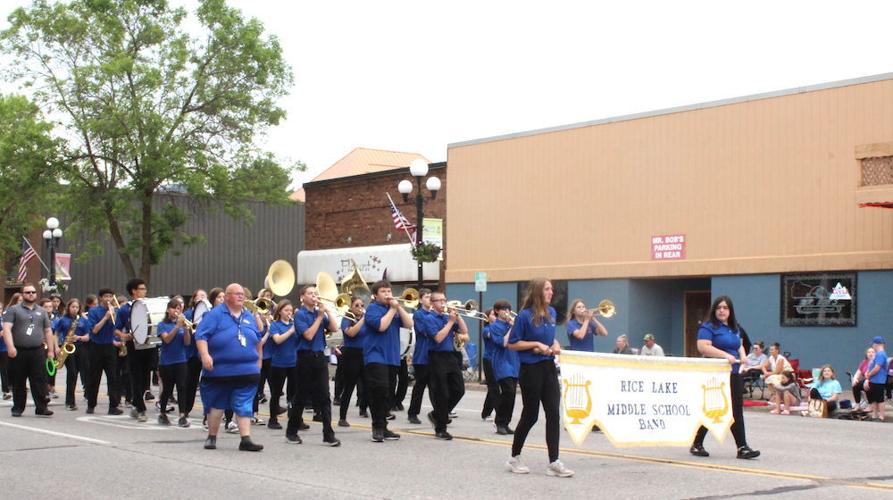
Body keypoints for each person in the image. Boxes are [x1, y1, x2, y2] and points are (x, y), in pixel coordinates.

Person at [505, 278, 574, 477]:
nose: (551, 292)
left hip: (548, 368)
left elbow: (549, 337)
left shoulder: (551, 313)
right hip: (530, 370)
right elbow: (512, 343)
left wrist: (555, 344)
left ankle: (554, 462)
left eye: (551, 289)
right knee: (531, 415)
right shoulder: (525, 316)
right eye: (547, 289)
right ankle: (514, 457)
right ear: (537, 291)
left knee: (554, 413)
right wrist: (535, 344)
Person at [194, 283, 264, 451]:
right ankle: (212, 436)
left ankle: (245, 439)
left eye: (242, 294)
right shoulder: (215, 315)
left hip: (247, 370)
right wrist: (205, 355)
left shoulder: (248, 316)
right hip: (220, 370)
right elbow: (201, 335)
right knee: (217, 405)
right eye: (236, 294)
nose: (241, 297)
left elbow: (257, 339)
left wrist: (259, 361)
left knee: (244, 404)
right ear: (226, 297)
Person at [689, 296, 760, 460]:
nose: (722, 310)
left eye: (726, 308)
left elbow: (740, 344)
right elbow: (703, 347)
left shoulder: (734, 327)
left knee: (736, 410)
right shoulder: (708, 327)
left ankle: (742, 447)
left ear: (730, 311)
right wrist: (725, 355)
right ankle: (697, 443)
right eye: (719, 307)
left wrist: (743, 356)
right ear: (714, 310)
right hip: (714, 375)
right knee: (712, 408)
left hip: (733, 373)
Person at [286, 284, 341, 447]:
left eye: (315, 293)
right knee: (301, 397)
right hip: (304, 358)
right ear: (302, 297)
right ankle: (291, 431)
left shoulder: (320, 313)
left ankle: (328, 434)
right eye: (310, 293)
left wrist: (328, 311)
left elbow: (334, 327)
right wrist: (319, 317)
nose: (314, 296)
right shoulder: (300, 315)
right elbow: (308, 335)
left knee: (325, 397)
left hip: (319, 358)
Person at [362, 280, 413, 442]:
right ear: (375, 295)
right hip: (375, 356)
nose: (388, 294)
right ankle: (377, 428)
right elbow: (381, 326)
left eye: (389, 291)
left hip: (392, 357)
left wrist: (399, 308)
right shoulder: (372, 309)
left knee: (388, 394)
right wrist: (392, 309)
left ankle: (383, 427)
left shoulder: (394, 309)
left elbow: (409, 324)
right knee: (379, 391)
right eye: (383, 292)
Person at [1, 284, 55, 417]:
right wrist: (10, 346)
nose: (31, 294)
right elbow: (7, 329)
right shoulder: (13, 310)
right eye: (27, 292)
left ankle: (41, 407)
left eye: (33, 292)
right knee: (18, 380)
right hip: (19, 350)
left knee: (39, 379)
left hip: (37, 350)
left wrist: (51, 351)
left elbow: (48, 331)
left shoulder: (42, 311)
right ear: (22, 294)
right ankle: (18, 407)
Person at [426, 291, 469, 440]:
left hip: (450, 356)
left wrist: (458, 316)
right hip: (436, 356)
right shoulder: (429, 318)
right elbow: (438, 338)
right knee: (442, 393)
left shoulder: (447, 317)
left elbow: (464, 331)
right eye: (439, 301)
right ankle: (441, 428)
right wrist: (450, 322)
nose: (443, 303)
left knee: (459, 389)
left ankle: (437, 415)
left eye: (445, 300)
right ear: (432, 303)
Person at [116, 278, 154, 422]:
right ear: (134, 291)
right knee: (136, 377)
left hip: (149, 346)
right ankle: (141, 409)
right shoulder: (125, 309)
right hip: (134, 346)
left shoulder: (148, 306)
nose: (145, 291)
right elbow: (117, 329)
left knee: (145, 379)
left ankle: (136, 404)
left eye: (145, 289)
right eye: (142, 289)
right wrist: (124, 335)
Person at [85, 288, 124, 415]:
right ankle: (91, 404)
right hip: (96, 346)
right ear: (101, 298)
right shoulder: (93, 311)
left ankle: (113, 406)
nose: (108, 299)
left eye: (110, 296)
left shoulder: (116, 311)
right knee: (94, 377)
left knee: (113, 377)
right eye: (106, 296)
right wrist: (106, 317)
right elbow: (94, 330)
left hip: (110, 346)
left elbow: (118, 328)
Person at [155, 299, 191, 427]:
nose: (176, 311)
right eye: (174, 308)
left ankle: (182, 415)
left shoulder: (181, 326)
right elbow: (167, 339)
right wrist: (177, 327)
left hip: (181, 360)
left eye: (179, 309)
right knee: (167, 389)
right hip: (166, 362)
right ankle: (163, 412)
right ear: (168, 310)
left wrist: (186, 329)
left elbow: (187, 343)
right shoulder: (162, 325)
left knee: (182, 387)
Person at [54, 298, 90, 411]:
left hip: (81, 347)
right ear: (68, 307)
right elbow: (56, 333)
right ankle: (70, 402)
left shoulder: (83, 320)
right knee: (72, 374)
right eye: (73, 307)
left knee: (85, 372)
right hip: (68, 348)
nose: (75, 309)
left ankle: (87, 395)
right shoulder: (63, 320)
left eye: (77, 307)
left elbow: (89, 335)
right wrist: (56, 347)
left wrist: (79, 337)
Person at [267, 300, 298, 431]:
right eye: (286, 310)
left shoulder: (294, 325)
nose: (289, 313)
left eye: (291, 311)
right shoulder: (275, 325)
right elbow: (277, 340)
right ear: (280, 311)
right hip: (278, 364)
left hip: (294, 363)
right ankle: (272, 419)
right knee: (276, 393)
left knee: (294, 393)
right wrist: (291, 331)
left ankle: (295, 419)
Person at [490, 300, 519, 435]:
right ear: (497, 311)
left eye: (508, 310)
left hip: (514, 362)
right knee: (508, 391)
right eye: (504, 310)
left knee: (512, 395)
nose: (507, 312)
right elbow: (503, 343)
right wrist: (512, 328)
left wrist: (515, 326)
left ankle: (506, 423)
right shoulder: (495, 326)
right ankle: (499, 422)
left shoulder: (512, 325)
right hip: (501, 362)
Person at [338, 296, 368, 427]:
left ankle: (363, 408)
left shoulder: (365, 320)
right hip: (350, 354)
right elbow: (351, 333)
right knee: (349, 386)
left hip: (365, 353)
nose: (360, 308)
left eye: (362, 305)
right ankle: (342, 417)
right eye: (357, 305)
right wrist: (363, 320)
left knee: (368, 384)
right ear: (350, 307)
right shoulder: (346, 319)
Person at [407, 289, 432, 424]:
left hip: (435, 356)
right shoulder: (419, 314)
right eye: (427, 297)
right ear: (421, 300)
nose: (430, 299)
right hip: (422, 356)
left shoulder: (435, 314)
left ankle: (439, 414)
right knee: (420, 386)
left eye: (431, 297)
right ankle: (412, 413)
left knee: (436, 387)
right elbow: (425, 331)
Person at [480, 308, 498, 421]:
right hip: (489, 360)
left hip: (499, 359)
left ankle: (486, 412)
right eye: (493, 314)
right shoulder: (486, 329)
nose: (495, 316)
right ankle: (489, 413)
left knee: (494, 387)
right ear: (487, 317)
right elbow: (494, 337)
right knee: (494, 387)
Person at [864, 336, 887, 421]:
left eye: (873, 344)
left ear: (876, 344)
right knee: (873, 398)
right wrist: (868, 375)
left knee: (880, 399)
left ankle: (881, 417)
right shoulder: (878, 354)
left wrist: (869, 375)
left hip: (879, 380)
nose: (873, 346)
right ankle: (874, 415)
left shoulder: (881, 354)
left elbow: (877, 368)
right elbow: (872, 366)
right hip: (874, 380)